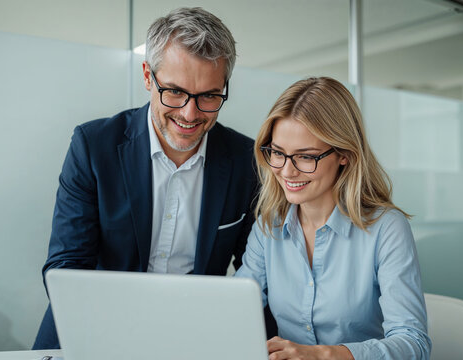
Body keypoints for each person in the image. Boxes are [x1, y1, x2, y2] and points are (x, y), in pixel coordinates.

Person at [33, 7, 260, 349]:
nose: (190, 113)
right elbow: (65, 267)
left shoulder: (248, 161)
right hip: (90, 332)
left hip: (191, 339)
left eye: (209, 96)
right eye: (174, 91)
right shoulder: (94, 146)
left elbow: (256, 273)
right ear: (146, 76)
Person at [235, 77, 432, 359]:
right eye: (278, 153)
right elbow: (236, 308)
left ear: (344, 155)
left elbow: (414, 344)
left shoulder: (386, 228)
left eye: (305, 157)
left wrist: (323, 355)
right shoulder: (270, 226)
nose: (287, 172)